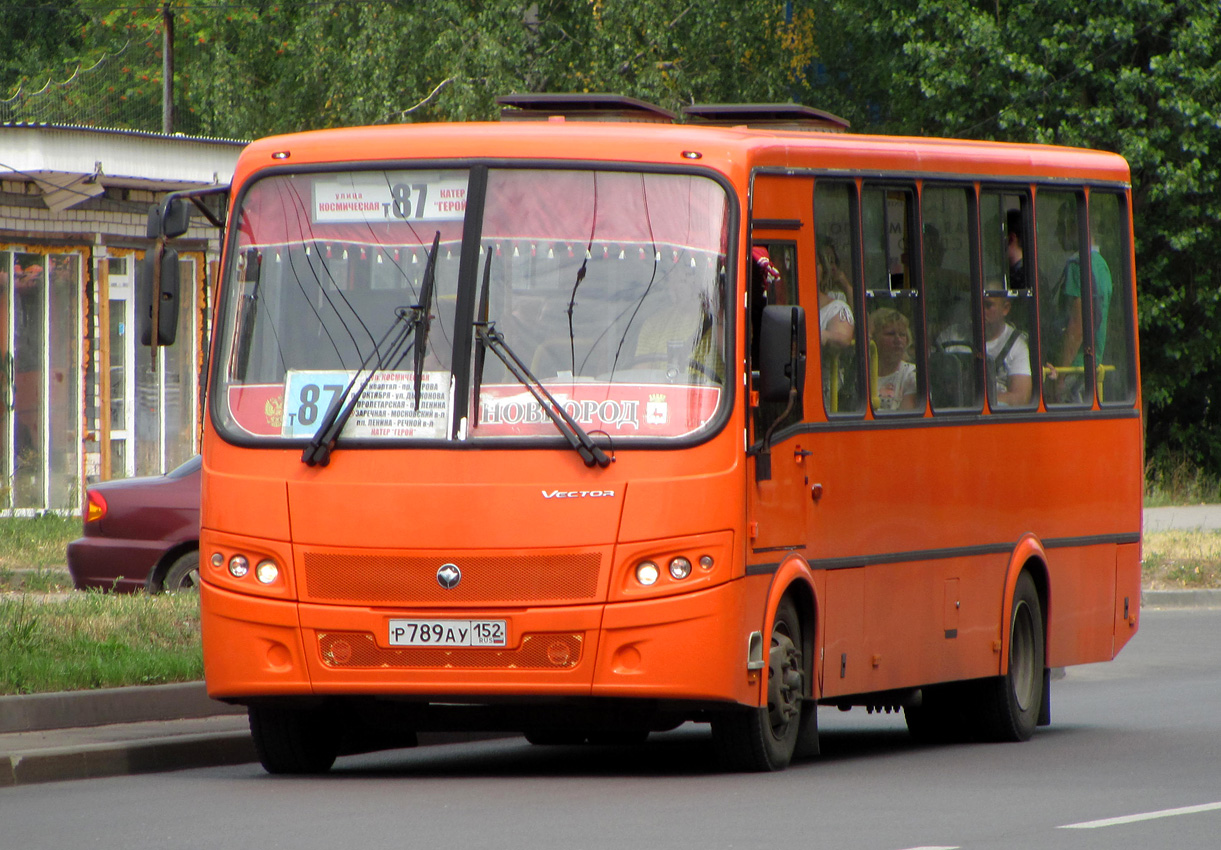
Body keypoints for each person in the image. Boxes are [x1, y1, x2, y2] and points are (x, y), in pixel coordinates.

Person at [1044, 205, 1113, 401]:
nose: (1058, 233)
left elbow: (1077, 325)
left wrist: (1060, 378)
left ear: (1076, 227)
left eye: (1061, 226)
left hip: (1073, 369)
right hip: (1091, 366)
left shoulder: (1078, 265)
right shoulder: (1102, 266)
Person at [983, 295, 1032, 406]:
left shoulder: (1018, 344)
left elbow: (1020, 398)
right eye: (975, 304)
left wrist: (976, 402)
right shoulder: (952, 335)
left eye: (988, 305)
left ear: (1005, 308)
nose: (980, 311)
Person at [869, 307, 917, 411]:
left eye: (902, 334)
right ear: (874, 338)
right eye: (890, 334)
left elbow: (906, 420)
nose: (898, 340)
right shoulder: (863, 373)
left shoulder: (911, 375)